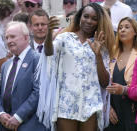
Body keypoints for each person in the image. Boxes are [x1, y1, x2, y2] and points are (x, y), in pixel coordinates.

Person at [36, 2, 115, 131]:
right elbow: (48, 52)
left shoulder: (101, 44)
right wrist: (49, 33)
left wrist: (98, 55)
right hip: (66, 102)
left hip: (91, 104)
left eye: (94, 19)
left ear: (99, 22)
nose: (89, 21)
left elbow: (105, 83)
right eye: (86, 16)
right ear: (79, 17)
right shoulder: (65, 38)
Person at [0, 21, 49, 131]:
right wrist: (0, 114)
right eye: (7, 38)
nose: (9, 41)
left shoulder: (38, 60)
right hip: (3, 125)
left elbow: (39, 92)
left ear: (26, 38)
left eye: (13, 37)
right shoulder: (5, 65)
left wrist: (18, 117)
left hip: (29, 124)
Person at [104, 17, 137, 131]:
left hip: (132, 108)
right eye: (120, 28)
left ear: (135, 33)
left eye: (127, 27)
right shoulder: (111, 52)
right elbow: (102, 82)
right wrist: (107, 107)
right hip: (111, 107)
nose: (122, 30)